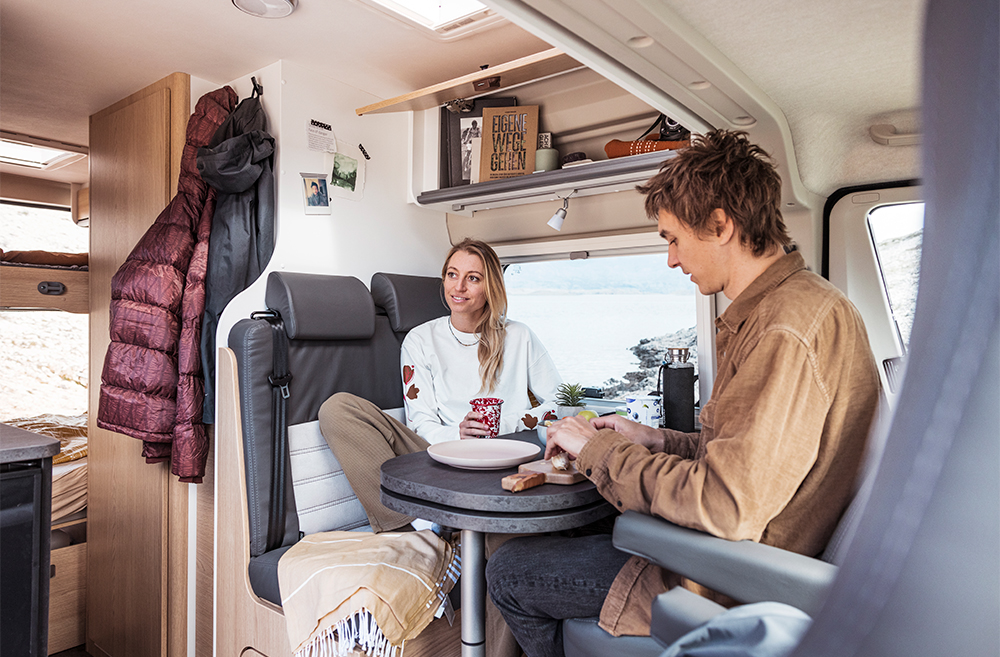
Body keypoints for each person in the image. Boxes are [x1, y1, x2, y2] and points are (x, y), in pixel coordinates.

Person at [486, 130, 881, 657]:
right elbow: (745, 458)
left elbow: (725, 505)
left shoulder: (784, 330)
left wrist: (600, 449)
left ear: (720, 225)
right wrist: (654, 439)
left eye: (673, 239)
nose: (671, 259)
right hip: (733, 557)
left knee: (509, 569)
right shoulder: (798, 306)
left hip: (723, 581)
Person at [318, 237, 563, 533]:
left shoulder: (519, 336)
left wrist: (504, 425)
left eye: (473, 278)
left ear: (491, 287)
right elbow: (420, 422)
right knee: (337, 409)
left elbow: (559, 404)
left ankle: (444, 527)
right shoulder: (420, 340)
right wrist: (459, 434)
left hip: (504, 459)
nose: (458, 287)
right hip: (440, 453)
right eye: (452, 274)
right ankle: (417, 527)